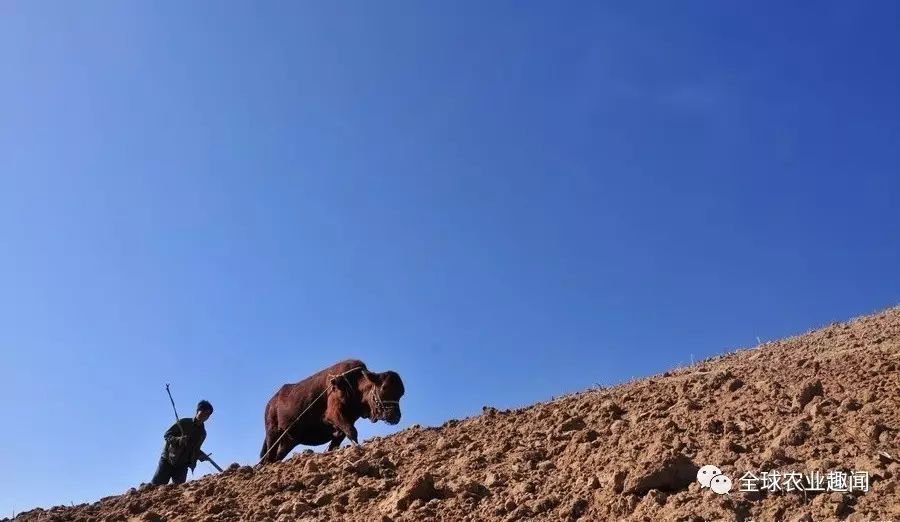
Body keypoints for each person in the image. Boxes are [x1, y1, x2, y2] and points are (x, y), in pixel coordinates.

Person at [151, 400, 213, 485]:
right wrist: (178, 440)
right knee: (155, 487)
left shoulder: (203, 433)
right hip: (168, 460)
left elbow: (195, 450)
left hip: (182, 466)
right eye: (203, 412)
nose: (204, 416)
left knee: (178, 491)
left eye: (207, 415)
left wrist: (200, 456)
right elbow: (167, 435)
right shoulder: (184, 422)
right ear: (197, 411)